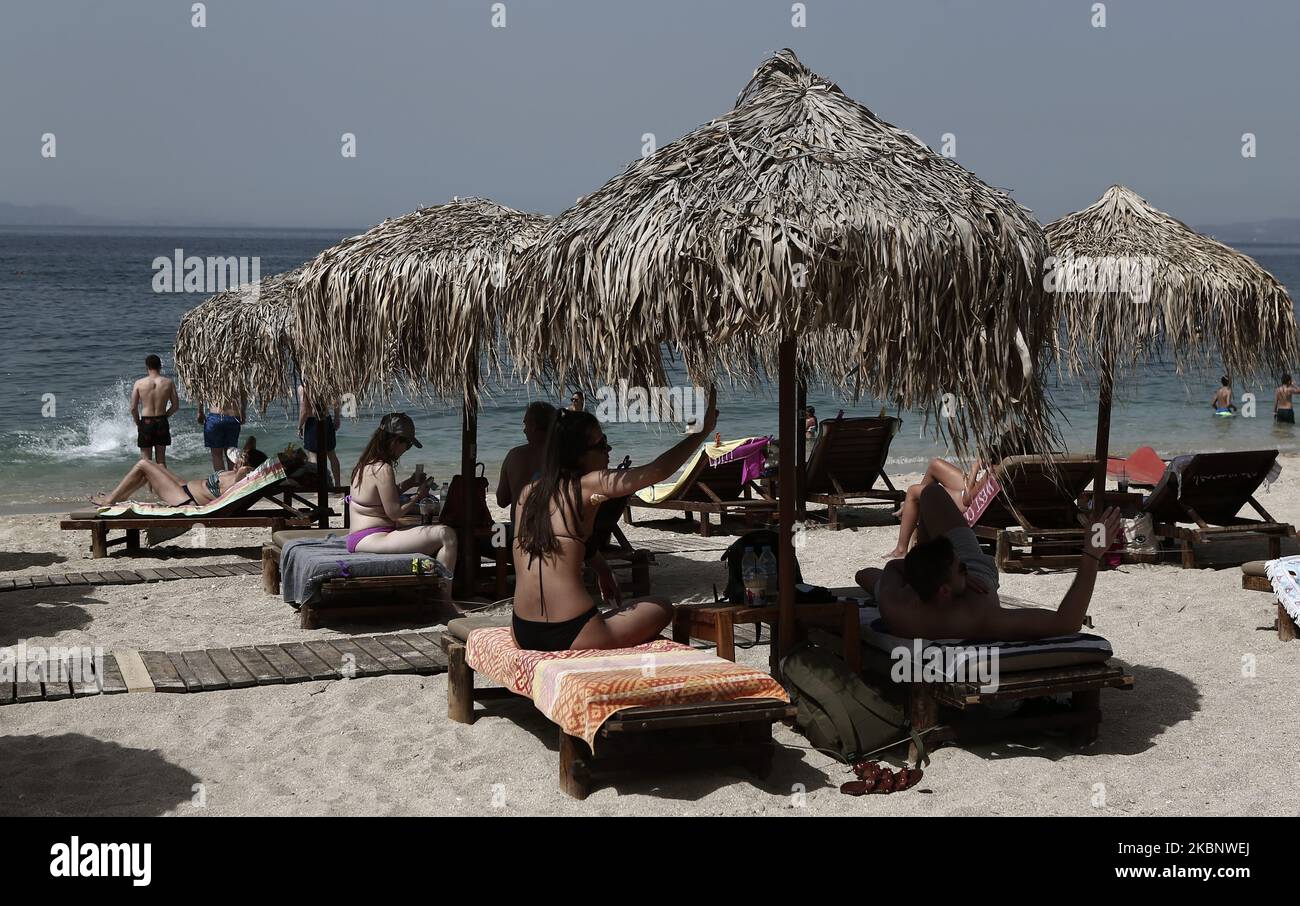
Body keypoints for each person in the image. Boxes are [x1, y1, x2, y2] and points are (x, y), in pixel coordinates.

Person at [512, 387, 720, 651]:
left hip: (522, 630)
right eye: (601, 444)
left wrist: (603, 570)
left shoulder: (528, 494)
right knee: (661, 607)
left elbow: (560, 540)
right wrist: (702, 432)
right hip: (572, 631)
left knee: (621, 611)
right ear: (578, 453)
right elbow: (657, 471)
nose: (608, 450)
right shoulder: (589, 485)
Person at [857, 483, 1121, 642]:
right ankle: (935, 561)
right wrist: (1091, 556)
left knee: (868, 578)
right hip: (971, 573)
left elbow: (884, 569)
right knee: (931, 493)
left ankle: (932, 560)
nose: (963, 568)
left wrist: (926, 570)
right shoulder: (978, 616)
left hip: (929, 577)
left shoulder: (896, 606)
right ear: (945, 591)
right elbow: (1067, 623)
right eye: (960, 570)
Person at [345, 413, 458, 576]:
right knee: (447, 535)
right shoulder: (383, 469)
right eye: (408, 445)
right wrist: (418, 495)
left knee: (428, 533)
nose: (406, 450)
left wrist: (410, 482)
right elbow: (394, 513)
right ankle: (444, 597)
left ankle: (429, 581)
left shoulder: (365, 464)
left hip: (360, 537)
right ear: (396, 441)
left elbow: (381, 496)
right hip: (373, 539)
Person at [91, 436, 279, 507]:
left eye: (240, 460)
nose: (236, 460)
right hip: (184, 488)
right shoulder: (240, 473)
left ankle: (111, 499)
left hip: (185, 499)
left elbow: (245, 468)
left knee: (143, 464)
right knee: (157, 465)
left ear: (247, 467)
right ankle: (120, 495)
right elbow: (251, 442)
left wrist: (246, 465)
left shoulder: (240, 478)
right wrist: (247, 455)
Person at [496, 401, 557, 519]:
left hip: (518, 532)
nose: (524, 431)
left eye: (525, 425)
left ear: (533, 426)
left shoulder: (514, 455)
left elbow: (502, 501)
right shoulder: (561, 456)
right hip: (552, 530)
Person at [131, 354, 179, 466]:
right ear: (160, 366)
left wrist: (138, 422)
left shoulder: (139, 383)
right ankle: (163, 484)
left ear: (147, 366)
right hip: (161, 421)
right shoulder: (168, 382)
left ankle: (150, 484)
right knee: (161, 461)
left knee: (146, 462)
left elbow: (133, 408)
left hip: (146, 422)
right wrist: (165, 416)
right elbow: (175, 406)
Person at [298, 382, 341, 488]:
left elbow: (304, 410)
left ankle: (318, 486)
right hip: (326, 419)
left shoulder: (304, 387)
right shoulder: (324, 382)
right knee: (332, 454)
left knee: (313, 456)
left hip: (313, 421)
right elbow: (336, 402)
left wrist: (299, 426)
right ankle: (338, 485)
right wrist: (336, 417)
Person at [199, 393, 246, 471]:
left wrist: (200, 411)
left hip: (215, 417)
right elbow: (243, 395)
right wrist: (243, 411)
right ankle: (232, 479)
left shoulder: (211, 380)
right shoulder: (238, 380)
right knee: (231, 453)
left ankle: (222, 480)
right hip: (233, 417)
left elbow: (200, 393)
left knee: (216, 454)